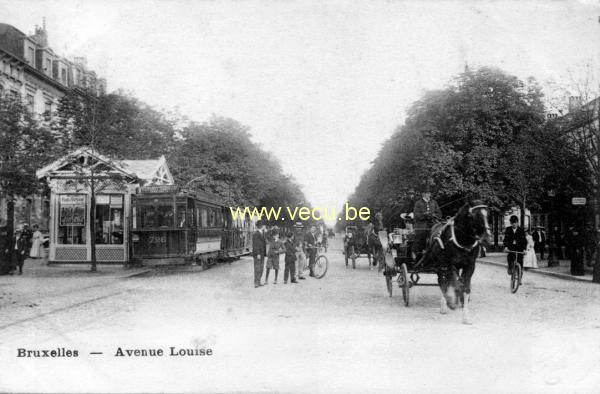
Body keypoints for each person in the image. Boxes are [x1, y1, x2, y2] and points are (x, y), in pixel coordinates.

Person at [413, 188, 442, 258]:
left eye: (429, 193)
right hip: (422, 223)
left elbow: (439, 214)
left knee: (440, 232)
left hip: (433, 223)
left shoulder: (434, 202)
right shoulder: (418, 203)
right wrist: (425, 215)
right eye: (426, 193)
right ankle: (419, 253)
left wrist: (434, 215)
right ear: (423, 194)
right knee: (421, 234)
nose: (428, 194)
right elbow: (416, 215)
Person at [252, 220, 268, 288]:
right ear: (262, 226)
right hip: (258, 254)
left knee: (261, 268)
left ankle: (258, 281)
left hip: (262, 254)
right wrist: (258, 253)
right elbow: (255, 245)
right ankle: (256, 282)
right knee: (257, 268)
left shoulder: (262, 233)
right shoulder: (256, 234)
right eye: (264, 225)